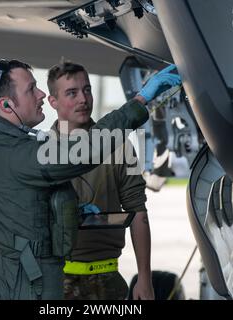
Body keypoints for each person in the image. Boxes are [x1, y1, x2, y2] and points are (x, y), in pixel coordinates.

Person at [0, 59, 181, 300]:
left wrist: (65, 213)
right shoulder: (25, 152)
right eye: (31, 89)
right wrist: (140, 100)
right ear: (7, 105)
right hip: (27, 283)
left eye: (87, 90)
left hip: (7, 277)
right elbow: (86, 149)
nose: (41, 95)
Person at [47, 61, 178, 300]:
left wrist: (144, 279)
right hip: (55, 282)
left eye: (87, 89)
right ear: (52, 101)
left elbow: (138, 211)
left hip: (107, 281)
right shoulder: (40, 151)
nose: (83, 99)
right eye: (71, 93)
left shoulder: (118, 146)